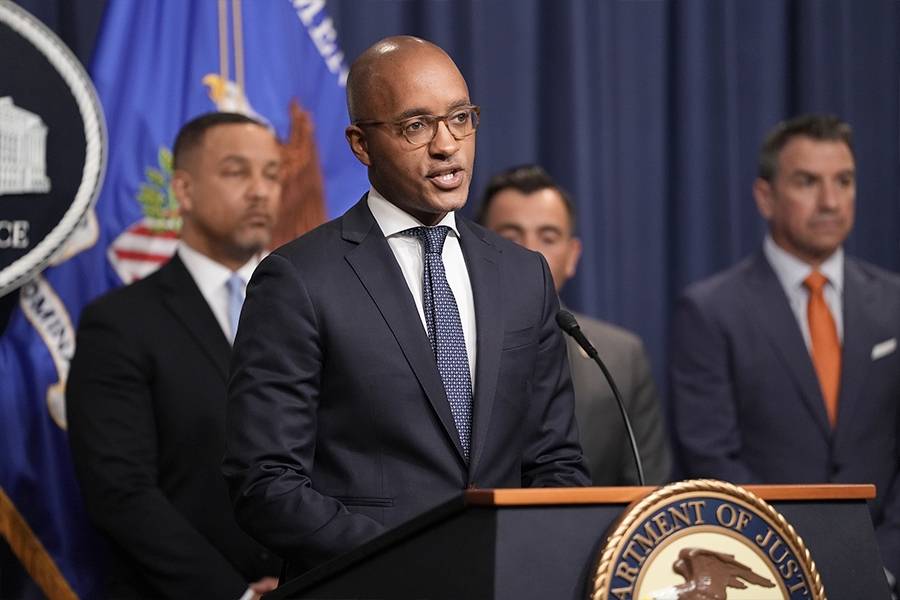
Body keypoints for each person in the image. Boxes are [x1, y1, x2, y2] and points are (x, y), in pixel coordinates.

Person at [221, 36, 591, 580]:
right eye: (416, 126)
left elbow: (556, 463)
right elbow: (265, 480)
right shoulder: (298, 278)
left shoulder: (523, 275)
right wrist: (414, 563)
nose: (448, 145)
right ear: (361, 144)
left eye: (460, 118)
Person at [669, 113, 900, 580]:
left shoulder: (894, 302)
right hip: (772, 568)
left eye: (844, 181)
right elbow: (712, 458)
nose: (830, 201)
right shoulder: (710, 311)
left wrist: (881, 562)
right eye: (807, 182)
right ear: (765, 197)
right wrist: (800, 560)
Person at [66, 112, 283, 599]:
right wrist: (237, 596)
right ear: (182, 190)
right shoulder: (119, 323)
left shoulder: (305, 310)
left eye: (271, 174)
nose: (260, 191)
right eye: (236, 172)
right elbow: (120, 492)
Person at [476, 165, 672, 486]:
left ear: (572, 255)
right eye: (510, 236)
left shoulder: (620, 357)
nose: (531, 253)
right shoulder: (450, 346)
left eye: (548, 237)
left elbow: (646, 489)